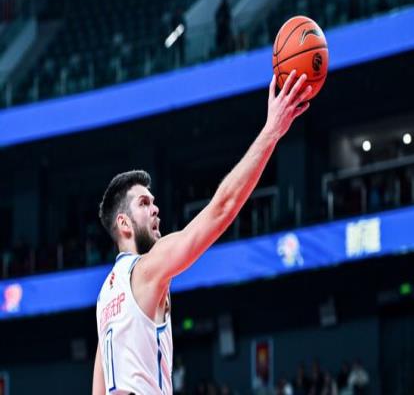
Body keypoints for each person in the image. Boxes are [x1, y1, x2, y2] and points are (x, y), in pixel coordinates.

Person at [92, 70, 312, 394]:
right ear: (124, 224)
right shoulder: (147, 269)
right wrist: (271, 132)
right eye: (144, 203)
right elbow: (222, 209)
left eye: (153, 202)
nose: (155, 209)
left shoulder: (104, 298)